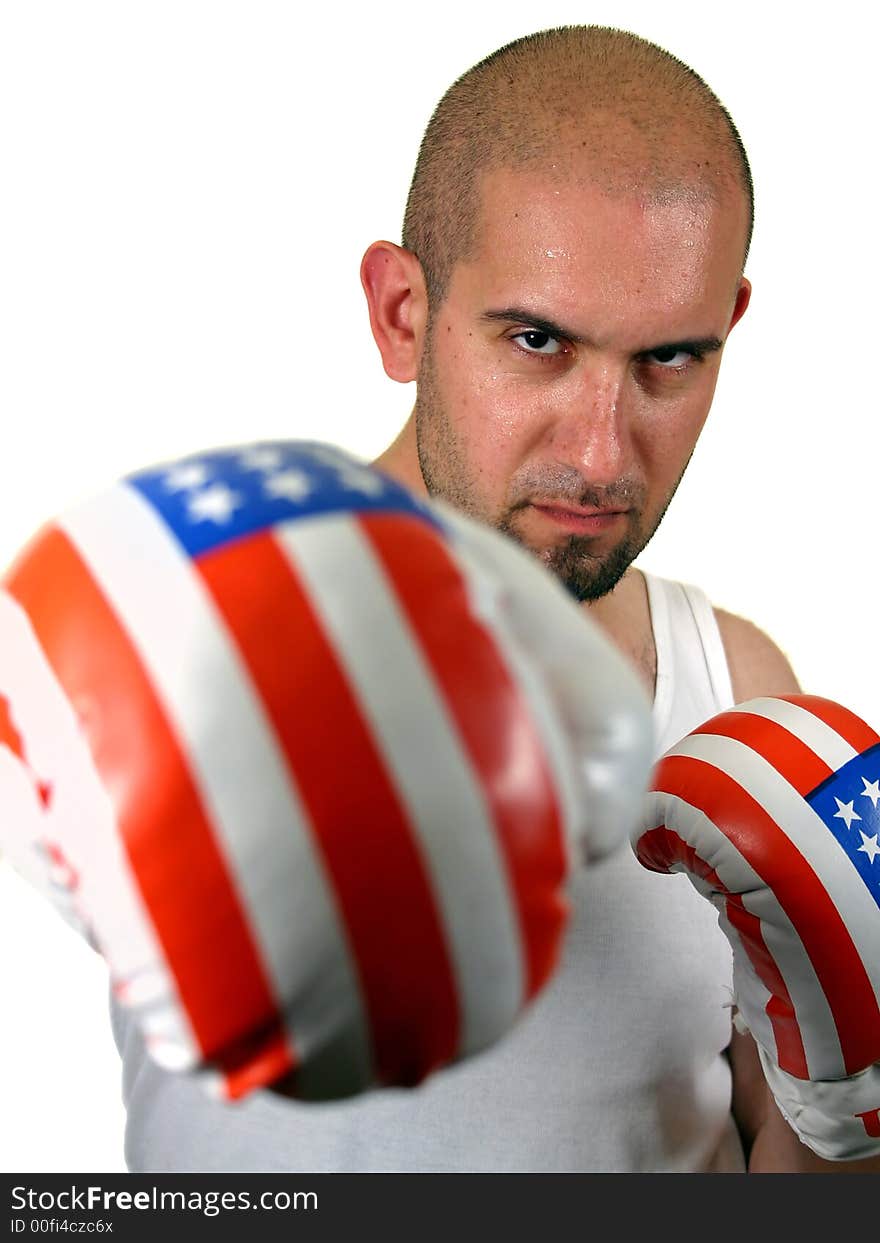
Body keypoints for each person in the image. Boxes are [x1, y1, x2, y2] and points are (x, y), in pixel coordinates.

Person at [106, 24, 878, 1172]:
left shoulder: (740, 702)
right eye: (538, 341)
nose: (602, 452)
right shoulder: (161, 642)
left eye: (669, 358)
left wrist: (843, 1100)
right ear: (402, 315)